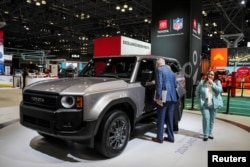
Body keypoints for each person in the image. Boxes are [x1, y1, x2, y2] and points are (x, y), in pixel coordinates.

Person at [152, 58, 177, 143]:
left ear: (158, 64)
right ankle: (171, 137)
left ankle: (159, 137)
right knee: (170, 118)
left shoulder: (159, 70)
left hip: (164, 97)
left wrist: (158, 97)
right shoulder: (171, 72)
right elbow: (175, 85)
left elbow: (159, 84)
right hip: (172, 97)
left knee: (161, 118)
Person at [195, 70, 223, 141]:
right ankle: (205, 134)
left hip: (214, 104)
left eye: (212, 75)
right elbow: (197, 92)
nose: (210, 76)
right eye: (209, 74)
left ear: (215, 76)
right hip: (205, 104)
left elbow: (219, 90)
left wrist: (213, 84)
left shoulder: (217, 82)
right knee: (206, 118)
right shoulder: (202, 82)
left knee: (212, 120)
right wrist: (199, 101)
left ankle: (210, 133)